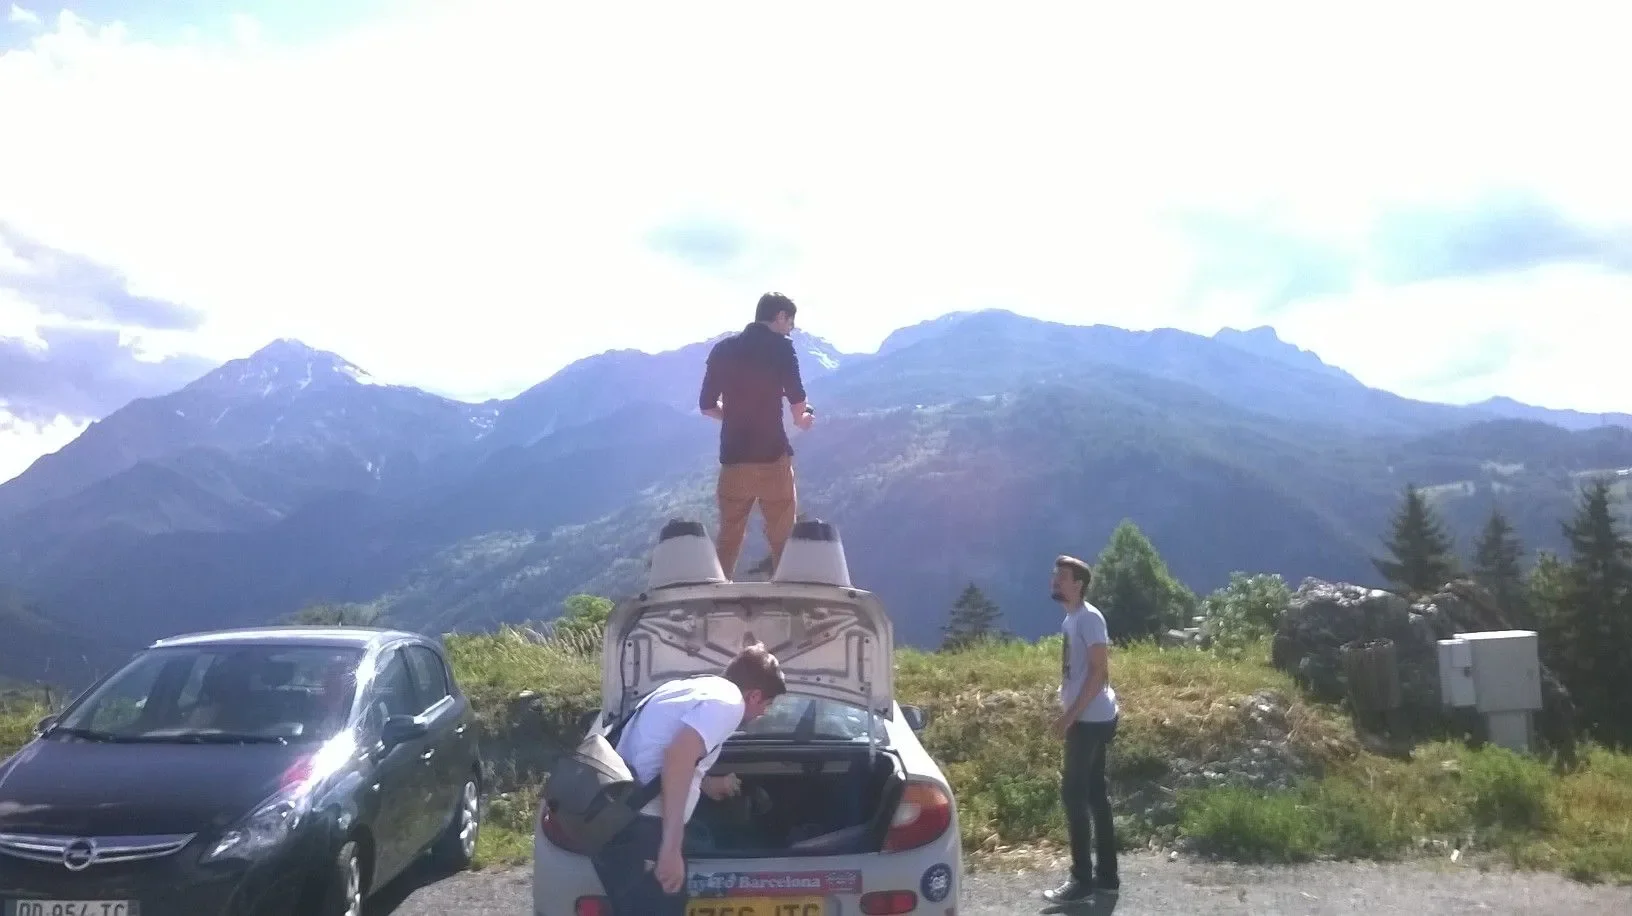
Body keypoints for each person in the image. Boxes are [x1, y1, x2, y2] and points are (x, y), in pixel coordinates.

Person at [591, 643, 788, 915]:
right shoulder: (729, 703)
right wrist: (670, 849)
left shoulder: (691, 688)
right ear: (753, 695)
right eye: (767, 704)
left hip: (622, 818)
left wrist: (707, 784)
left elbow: (659, 756)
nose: (764, 713)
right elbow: (677, 757)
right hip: (645, 829)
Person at [698, 292, 815, 579]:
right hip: (772, 457)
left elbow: (706, 405)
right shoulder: (782, 348)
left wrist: (736, 414)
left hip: (733, 460)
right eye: (791, 321)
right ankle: (788, 596)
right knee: (782, 537)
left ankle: (716, 592)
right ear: (779, 317)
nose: (791, 328)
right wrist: (803, 418)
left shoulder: (722, 350)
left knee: (729, 537)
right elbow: (797, 399)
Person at [1045, 554, 1120, 905]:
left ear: (1079, 584)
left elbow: (1098, 672)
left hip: (1089, 721)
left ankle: (1081, 880)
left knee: (1074, 796)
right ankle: (1107, 879)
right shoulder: (1072, 619)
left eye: (1062, 576)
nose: (1055, 580)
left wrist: (1069, 716)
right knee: (1094, 798)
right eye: (1055, 575)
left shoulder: (1089, 618)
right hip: (1089, 717)